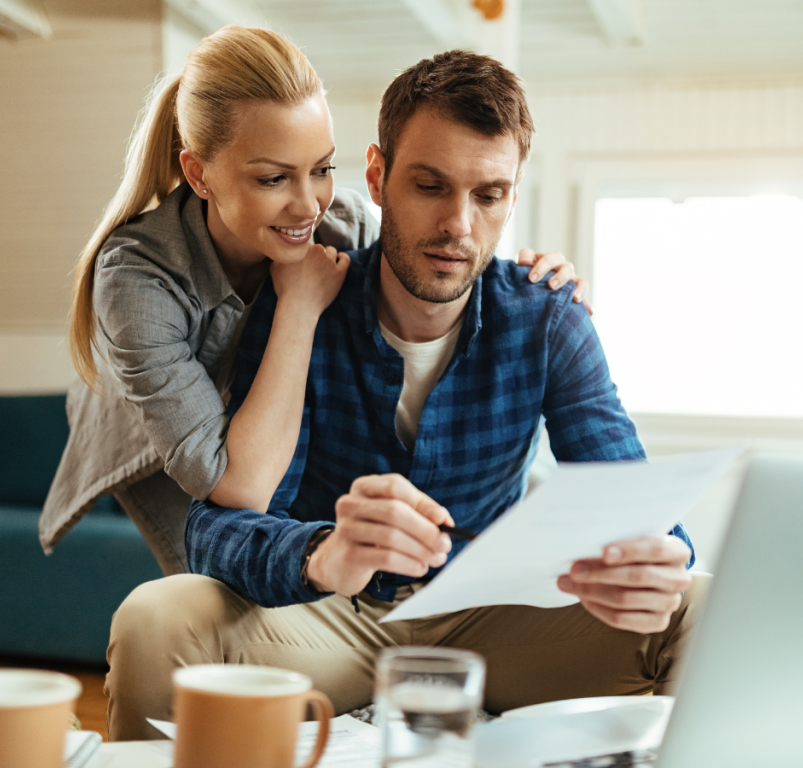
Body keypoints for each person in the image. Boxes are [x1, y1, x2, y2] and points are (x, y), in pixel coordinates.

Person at [105, 49, 704, 742]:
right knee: (154, 617)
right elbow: (218, 527)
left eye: (488, 195)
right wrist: (321, 554)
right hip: (333, 615)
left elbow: (632, 500)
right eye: (430, 186)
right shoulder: (303, 299)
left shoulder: (548, 320)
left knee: (701, 602)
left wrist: (660, 559)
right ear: (378, 176)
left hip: (490, 614)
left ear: (513, 195)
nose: (459, 225)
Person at [39, 26, 586, 576]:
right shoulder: (137, 279)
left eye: (322, 168)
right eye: (274, 178)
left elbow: (434, 260)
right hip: (162, 450)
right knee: (216, 584)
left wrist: (533, 289)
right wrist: (298, 305)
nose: (308, 207)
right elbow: (242, 486)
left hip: (270, 422)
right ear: (199, 174)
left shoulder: (341, 225)